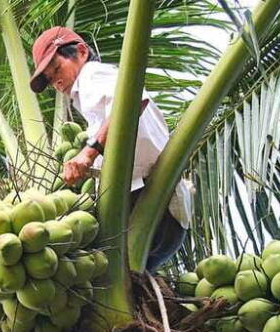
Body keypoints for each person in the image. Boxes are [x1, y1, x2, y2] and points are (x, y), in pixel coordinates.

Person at [29, 26, 193, 272]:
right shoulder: (90, 95)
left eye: (56, 68)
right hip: (163, 220)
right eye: (50, 79)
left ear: (81, 52)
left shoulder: (92, 75)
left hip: (150, 208)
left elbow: (131, 103)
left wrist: (88, 153)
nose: (56, 81)